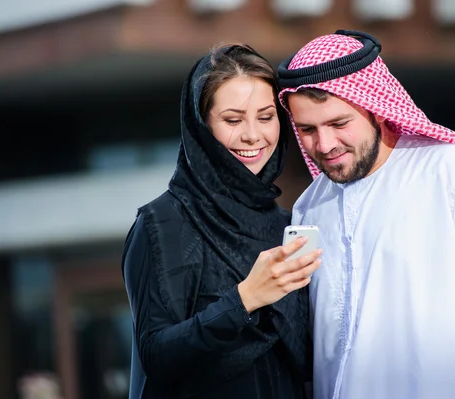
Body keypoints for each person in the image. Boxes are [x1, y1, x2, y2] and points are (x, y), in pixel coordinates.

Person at [277, 30, 455, 399]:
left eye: (339, 124)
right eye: (307, 129)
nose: (323, 145)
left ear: (375, 105)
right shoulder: (311, 205)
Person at [122, 43, 321, 399]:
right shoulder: (163, 224)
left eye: (265, 116)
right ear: (201, 127)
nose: (253, 135)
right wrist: (245, 299)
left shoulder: (287, 224)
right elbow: (156, 355)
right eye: (232, 120)